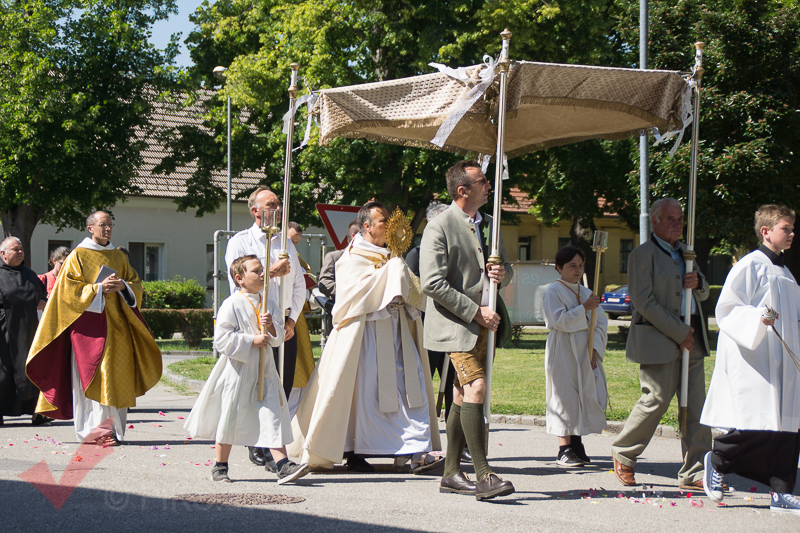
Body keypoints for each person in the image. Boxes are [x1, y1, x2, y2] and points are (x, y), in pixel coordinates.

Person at [289, 202, 442, 474]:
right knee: (363, 397)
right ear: (367, 226)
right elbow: (352, 298)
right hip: (364, 338)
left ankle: (414, 450)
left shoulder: (392, 256)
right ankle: (356, 450)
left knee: (411, 389)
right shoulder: (351, 257)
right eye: (384, 221)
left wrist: (401, 284)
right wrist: (391, 277)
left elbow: (414, 292)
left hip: (396, 334)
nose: (390, 227)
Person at [420, 160, 515, 501]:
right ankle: (484, 476)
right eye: (483, 181)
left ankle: (450, 474)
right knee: (476, 387)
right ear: (463, 190)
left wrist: (504, 275)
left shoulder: (491, 224)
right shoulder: (440, 225)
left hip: (484, 326)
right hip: (455, 325)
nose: (490, 185)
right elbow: (432, 282)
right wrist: (475, 311)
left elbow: (506, 270)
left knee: (461, 394)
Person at [26, 211, 162, 445]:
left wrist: (123, 285)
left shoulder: (118, 257)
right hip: (88, 330)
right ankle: (96, 432)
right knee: (93, 379)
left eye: (110, 225)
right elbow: (67, 293)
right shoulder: (77, 255)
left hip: (118, 326)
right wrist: (98, 288)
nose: (108, 229)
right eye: (103, 225)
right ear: (90, 228)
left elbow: (135, 284)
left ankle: (114, 430)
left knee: (117, 377)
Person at [700, 205, 800, 514]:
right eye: (786, 228)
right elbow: (728, 309)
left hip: (784, 359)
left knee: (788, 426)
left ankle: (782, 492)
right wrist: (759, 317)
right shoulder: (749, 265)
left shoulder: (785, 272)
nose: (792, 233)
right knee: (758, 422)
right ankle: (717, 459)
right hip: (757, 358)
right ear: (766, 231)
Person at [611, 198, 711, 489]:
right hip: (660, 340)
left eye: (680, 218)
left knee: (696, 407)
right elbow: (643, 301)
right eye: (670, 218)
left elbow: (702, 293)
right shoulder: (643, 254)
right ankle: (624, 453)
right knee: (654, 399)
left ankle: (696, 471)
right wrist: (679, 332)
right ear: (654, 221)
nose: (677, 224)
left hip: (693, 343)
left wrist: (699, 284)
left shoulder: (687, 253)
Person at [184, 255, 309, 484]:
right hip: (239, 371)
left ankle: (282, 464)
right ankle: (220, 466)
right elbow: (221, 339)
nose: (263, 274)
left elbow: (279, 338)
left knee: (273, 414)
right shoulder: (231, 303)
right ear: (240, 278)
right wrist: (251, 339)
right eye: (256, 271)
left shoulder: (269, 302)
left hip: (266, 370)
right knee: (231, 416)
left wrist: (271, 326)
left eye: (263, 270)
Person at [224, 187, 307, 468]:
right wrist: (271, 272)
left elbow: (299, 286)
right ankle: (260, 444)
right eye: (271, 205)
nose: (277, 210)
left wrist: (291, 319)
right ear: (255, 210)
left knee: (280, 387)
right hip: (254, 325)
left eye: (279, 205)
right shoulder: (240, 242)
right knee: (258, 385)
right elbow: (237, 282)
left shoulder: (286, 243)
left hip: (283, 323)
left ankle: (273, 445)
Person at [542, 246, 608, 467]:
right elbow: (558, 320)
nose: (578, 270)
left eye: (580, 265)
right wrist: (584, 308)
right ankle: (564, 448)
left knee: (584, 394)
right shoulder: (553, 291)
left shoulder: (587, 292)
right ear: (559, 268)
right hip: (563, 349)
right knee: (564, 396)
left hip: (584, 351)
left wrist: (594, 351)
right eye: (572, 265)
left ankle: (577, 443)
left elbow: (600, 324)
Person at [406, 202, 457, 421]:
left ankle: (456, 431)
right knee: (423, 380)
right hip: (426, 328)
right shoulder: (416, 255)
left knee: (453, 382)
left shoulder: (453, 254)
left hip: (452, 327)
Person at [0, 237, 47, 426]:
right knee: (4, 373)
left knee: (31, 371)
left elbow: (41, 294)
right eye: (15, 249)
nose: (20, 252)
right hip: (4, 331)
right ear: (3, 254)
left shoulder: (30, 274)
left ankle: (36, 412)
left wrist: (42, 299)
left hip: (28, 331)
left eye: (21, 249)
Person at [317, 220, 359, 336]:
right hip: (340, 314)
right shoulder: (334, 257)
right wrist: (349, 291)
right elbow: (324, 283)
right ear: (354, 236)